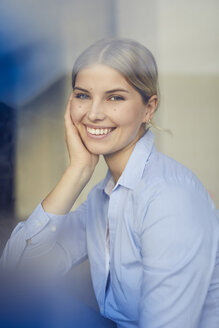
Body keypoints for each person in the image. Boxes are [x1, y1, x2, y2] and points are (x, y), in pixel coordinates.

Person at [1, 38, 219, 328]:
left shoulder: (168, 198)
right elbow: (19, 278)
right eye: (82, 96)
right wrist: (77, 171)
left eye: (115, 97)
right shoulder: (103, 198)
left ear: (148, 108)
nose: (93, 113)